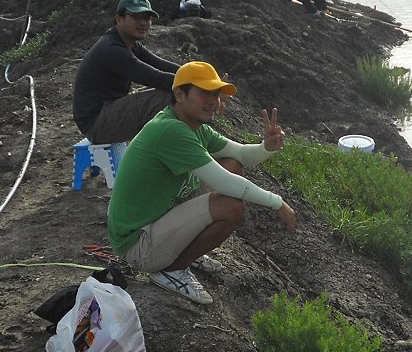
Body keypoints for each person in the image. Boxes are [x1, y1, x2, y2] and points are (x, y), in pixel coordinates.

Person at [107, 61, 297, 304]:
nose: (214, 101)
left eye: (216, 94)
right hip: (138, 244)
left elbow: (240, 156)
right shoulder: (170, 131)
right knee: (231, 206)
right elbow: (226, 184)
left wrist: (267, 148)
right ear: (180, 95)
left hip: (157, 220)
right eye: (204, 92)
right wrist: (277, 202)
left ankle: (182, 250)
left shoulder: (193, 125)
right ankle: (172, 269)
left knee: (232, 163)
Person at [73, 0, 180, 144]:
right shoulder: (112, 49)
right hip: (97, 125)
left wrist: (204, 75)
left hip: (107, 113)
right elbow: (156, 77)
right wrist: (201, 86)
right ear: (118, 19)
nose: (143, 23)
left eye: (147, 18)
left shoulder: (129, 43)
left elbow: (160, 64)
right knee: (168, 96)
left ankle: (166, 143)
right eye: (136, 17)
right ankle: (167, 148)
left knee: (176, 91)